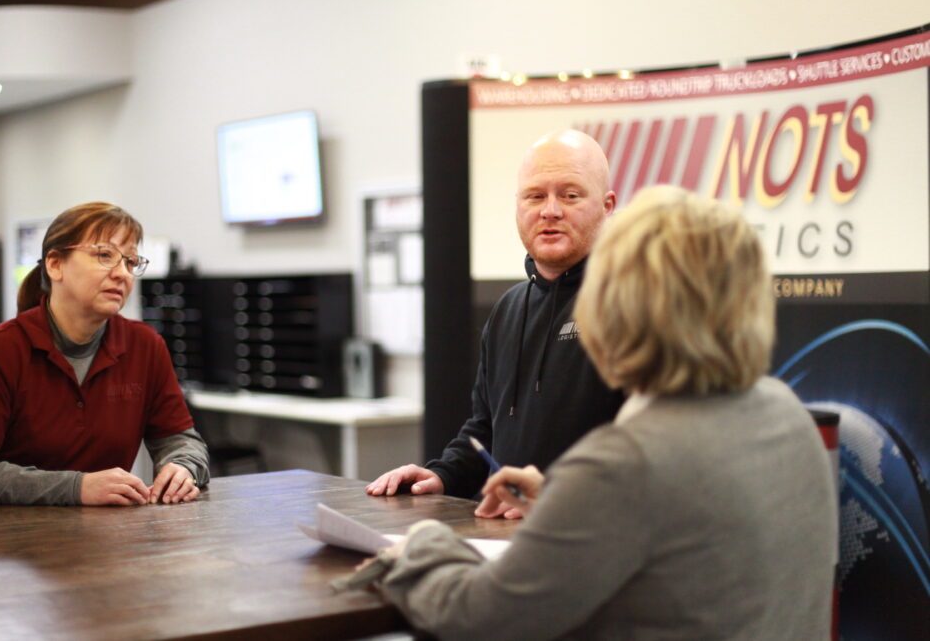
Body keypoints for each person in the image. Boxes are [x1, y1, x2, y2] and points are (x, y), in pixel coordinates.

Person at [354, 186, 839, 640]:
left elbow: (482, 619)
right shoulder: (786, 414)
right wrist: (568, 504)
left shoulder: (626, 463)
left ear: (614, 305)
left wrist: (422, 545)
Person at [366, 130, 625, 516]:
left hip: (593, 537)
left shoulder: (634, 305)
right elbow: (484, 431)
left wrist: (558, 498)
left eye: (570, 195)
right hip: (505, 535)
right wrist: (440, 476)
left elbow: (654, 445)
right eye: (535, 196)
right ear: (518, 205)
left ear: (607, 206)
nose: (550, 210)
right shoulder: (508, 310)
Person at [0, 202, 211, 506]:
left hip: (110, 540)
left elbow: (181, 440)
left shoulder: (145, 346)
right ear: (55, 265)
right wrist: (76, 488)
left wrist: (184, 467)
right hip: (11, 543)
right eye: (105, 256)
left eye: (131, 263)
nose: (123, 274)